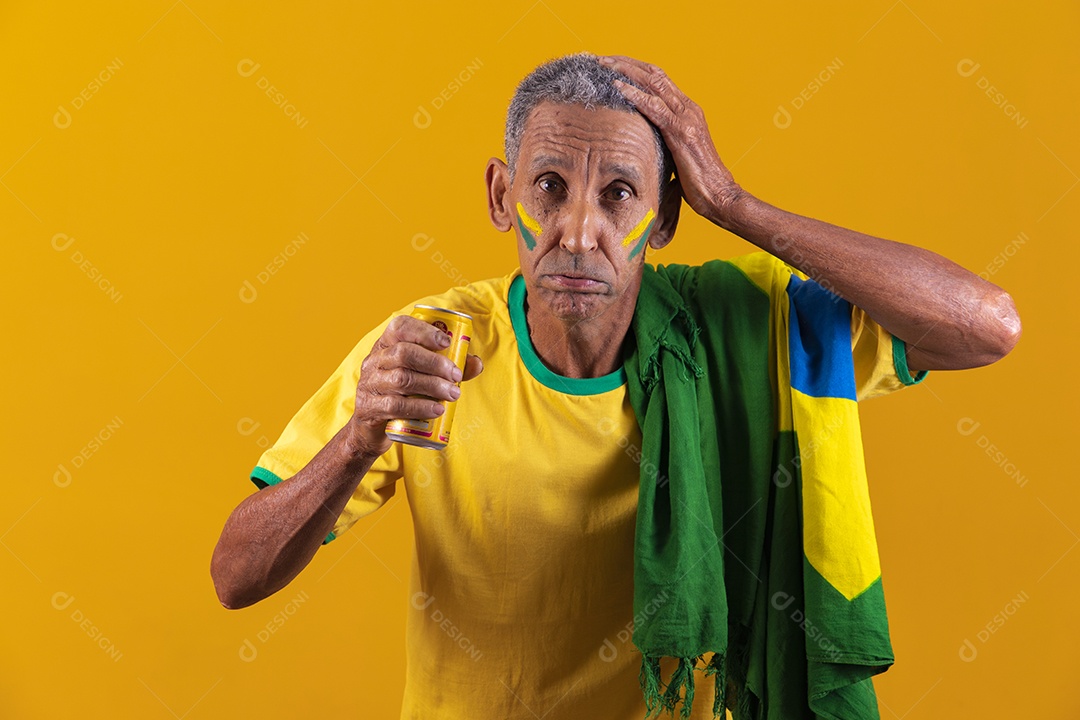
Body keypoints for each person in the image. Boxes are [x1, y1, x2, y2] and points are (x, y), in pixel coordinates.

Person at [210, 53, 1021, 719]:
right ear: (502, 195)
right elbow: (236, 576)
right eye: (550, 187)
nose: (577, 232)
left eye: (619, 195)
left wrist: (735, 204)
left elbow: (987, 326)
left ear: (665, 219)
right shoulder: (435, 348)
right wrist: (359, 437)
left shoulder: (745, 328)